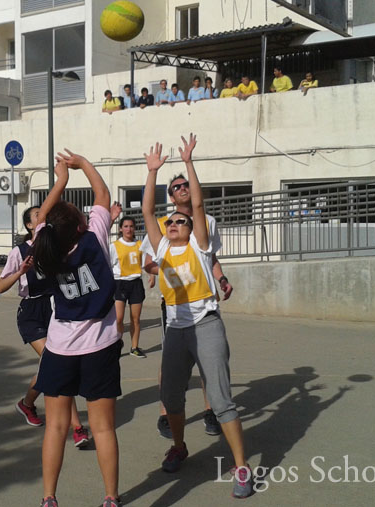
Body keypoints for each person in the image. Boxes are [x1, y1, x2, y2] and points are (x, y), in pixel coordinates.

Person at [142, 136, 252, 499]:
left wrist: (189, 163)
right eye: (170, 221)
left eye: (180, 222)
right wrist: (152, 172)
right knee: (171, 395)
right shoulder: (161, 247)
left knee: (220, 399)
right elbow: (146, 213)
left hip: (205, 324)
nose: (173, 224)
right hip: (175, 328)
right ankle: (179, 446)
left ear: (191, 228)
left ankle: (241, 466)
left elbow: (199, 204)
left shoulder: (199, 245)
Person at [31, 149, 121, 507]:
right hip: (100, 345)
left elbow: (40, 216)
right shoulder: (93, 239)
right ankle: (111, 498)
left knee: (55, 427)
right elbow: (103, 195)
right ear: (81, 225)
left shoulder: (44, 249)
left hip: (61, 348)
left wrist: (60, 180)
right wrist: (82, 165)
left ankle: (49, 498)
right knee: (103, 428)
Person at [140, 171, 234, 439]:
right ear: (170, 196)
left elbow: (210, 256)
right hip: (174, 305)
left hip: (202, 304)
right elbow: (148, 262)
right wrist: (174, 270)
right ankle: (165, 413)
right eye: (176, 187)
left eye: (185, 185)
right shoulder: (163, 224)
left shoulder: (207, 222)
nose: (182, 188)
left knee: (209, 358)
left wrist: (221, 279)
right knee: (170, 362)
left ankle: (211, 410)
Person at [0, 205, 91, 451]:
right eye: (38, 214)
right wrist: (20, 272)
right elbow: (0, 286)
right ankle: (78, 428)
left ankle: (27, 403)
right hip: (31, 312)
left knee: (56, 365)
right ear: (30, 225)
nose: (43, 215)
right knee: (57, 363)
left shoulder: (54, 244)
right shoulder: (19, 251)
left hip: (54, 307)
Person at [110, 216, 151, 358]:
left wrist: (152, 276)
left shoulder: (140, 244)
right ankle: (116, 345)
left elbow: (147, 263)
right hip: (119, 283)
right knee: (119, 318)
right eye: (126, 226)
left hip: (135, 283)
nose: (129, 229)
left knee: (135, 318)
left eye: (131, 226)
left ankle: (134, 347)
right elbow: (107, 266)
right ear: (121, 229)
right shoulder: (114, 246)